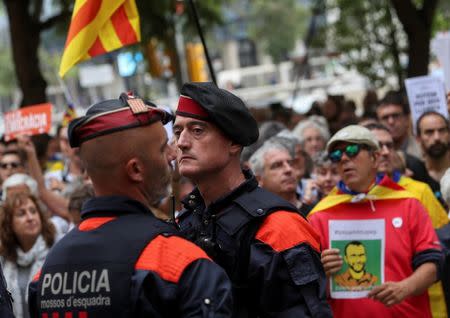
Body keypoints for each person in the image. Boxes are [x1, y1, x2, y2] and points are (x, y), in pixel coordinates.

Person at [28, 93, 233, 317]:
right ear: (135, 170)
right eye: (163, 148)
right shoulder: (180, 263)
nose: (174, 154)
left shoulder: (46, 274)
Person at [174, 82, 332, 317]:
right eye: (178, 132)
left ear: (234, 142)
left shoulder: (279, 227)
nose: (182, 142)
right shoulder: (185, 222)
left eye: (197, 130)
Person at [308, 125, 442, 318]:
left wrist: (405, 287)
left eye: (352, 150)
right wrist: (320, 271)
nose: (344, 158)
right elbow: (304, 287)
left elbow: (433, 262)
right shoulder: (319, 215)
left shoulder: (408, 203)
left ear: (375, 158)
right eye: (337, 155)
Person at [0, 192, 58, 318]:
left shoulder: (57, 250)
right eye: (21, 214)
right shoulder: (4, 258)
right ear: (9, 223)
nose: (30, 218)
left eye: (33, 211)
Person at [376, 90, 422, 159]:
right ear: (378, 122)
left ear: (407, 119)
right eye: (385, 118)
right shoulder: (373, 156)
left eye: (395, 116)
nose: (391, 122)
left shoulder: (422, 152)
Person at [416, 111, 450, 187]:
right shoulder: (415, 175)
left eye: (442, 130)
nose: (437, 137)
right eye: (429, 132)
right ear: (418, 138)